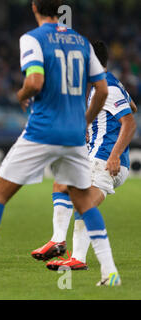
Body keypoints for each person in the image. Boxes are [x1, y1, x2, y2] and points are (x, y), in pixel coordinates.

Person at [0, 0, 121, 287]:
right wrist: (85, 120)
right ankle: (109, 272)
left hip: (42, 130)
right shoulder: (81, 42)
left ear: (35, 7)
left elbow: (34, 82)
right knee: (84, 202)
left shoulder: (32, 39)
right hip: (73, 135)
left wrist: (21, 93)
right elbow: (102, 89)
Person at [29, 40, 137, 271]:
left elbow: (130, 123)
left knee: (82, 202)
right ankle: (67, 249)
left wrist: (115, 155)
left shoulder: (107, 88)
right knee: (62, 184)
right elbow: (132, 107)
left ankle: (72, 252)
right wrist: (93, 127)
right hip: (98, 155)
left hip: (106, 159)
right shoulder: (107, 85)